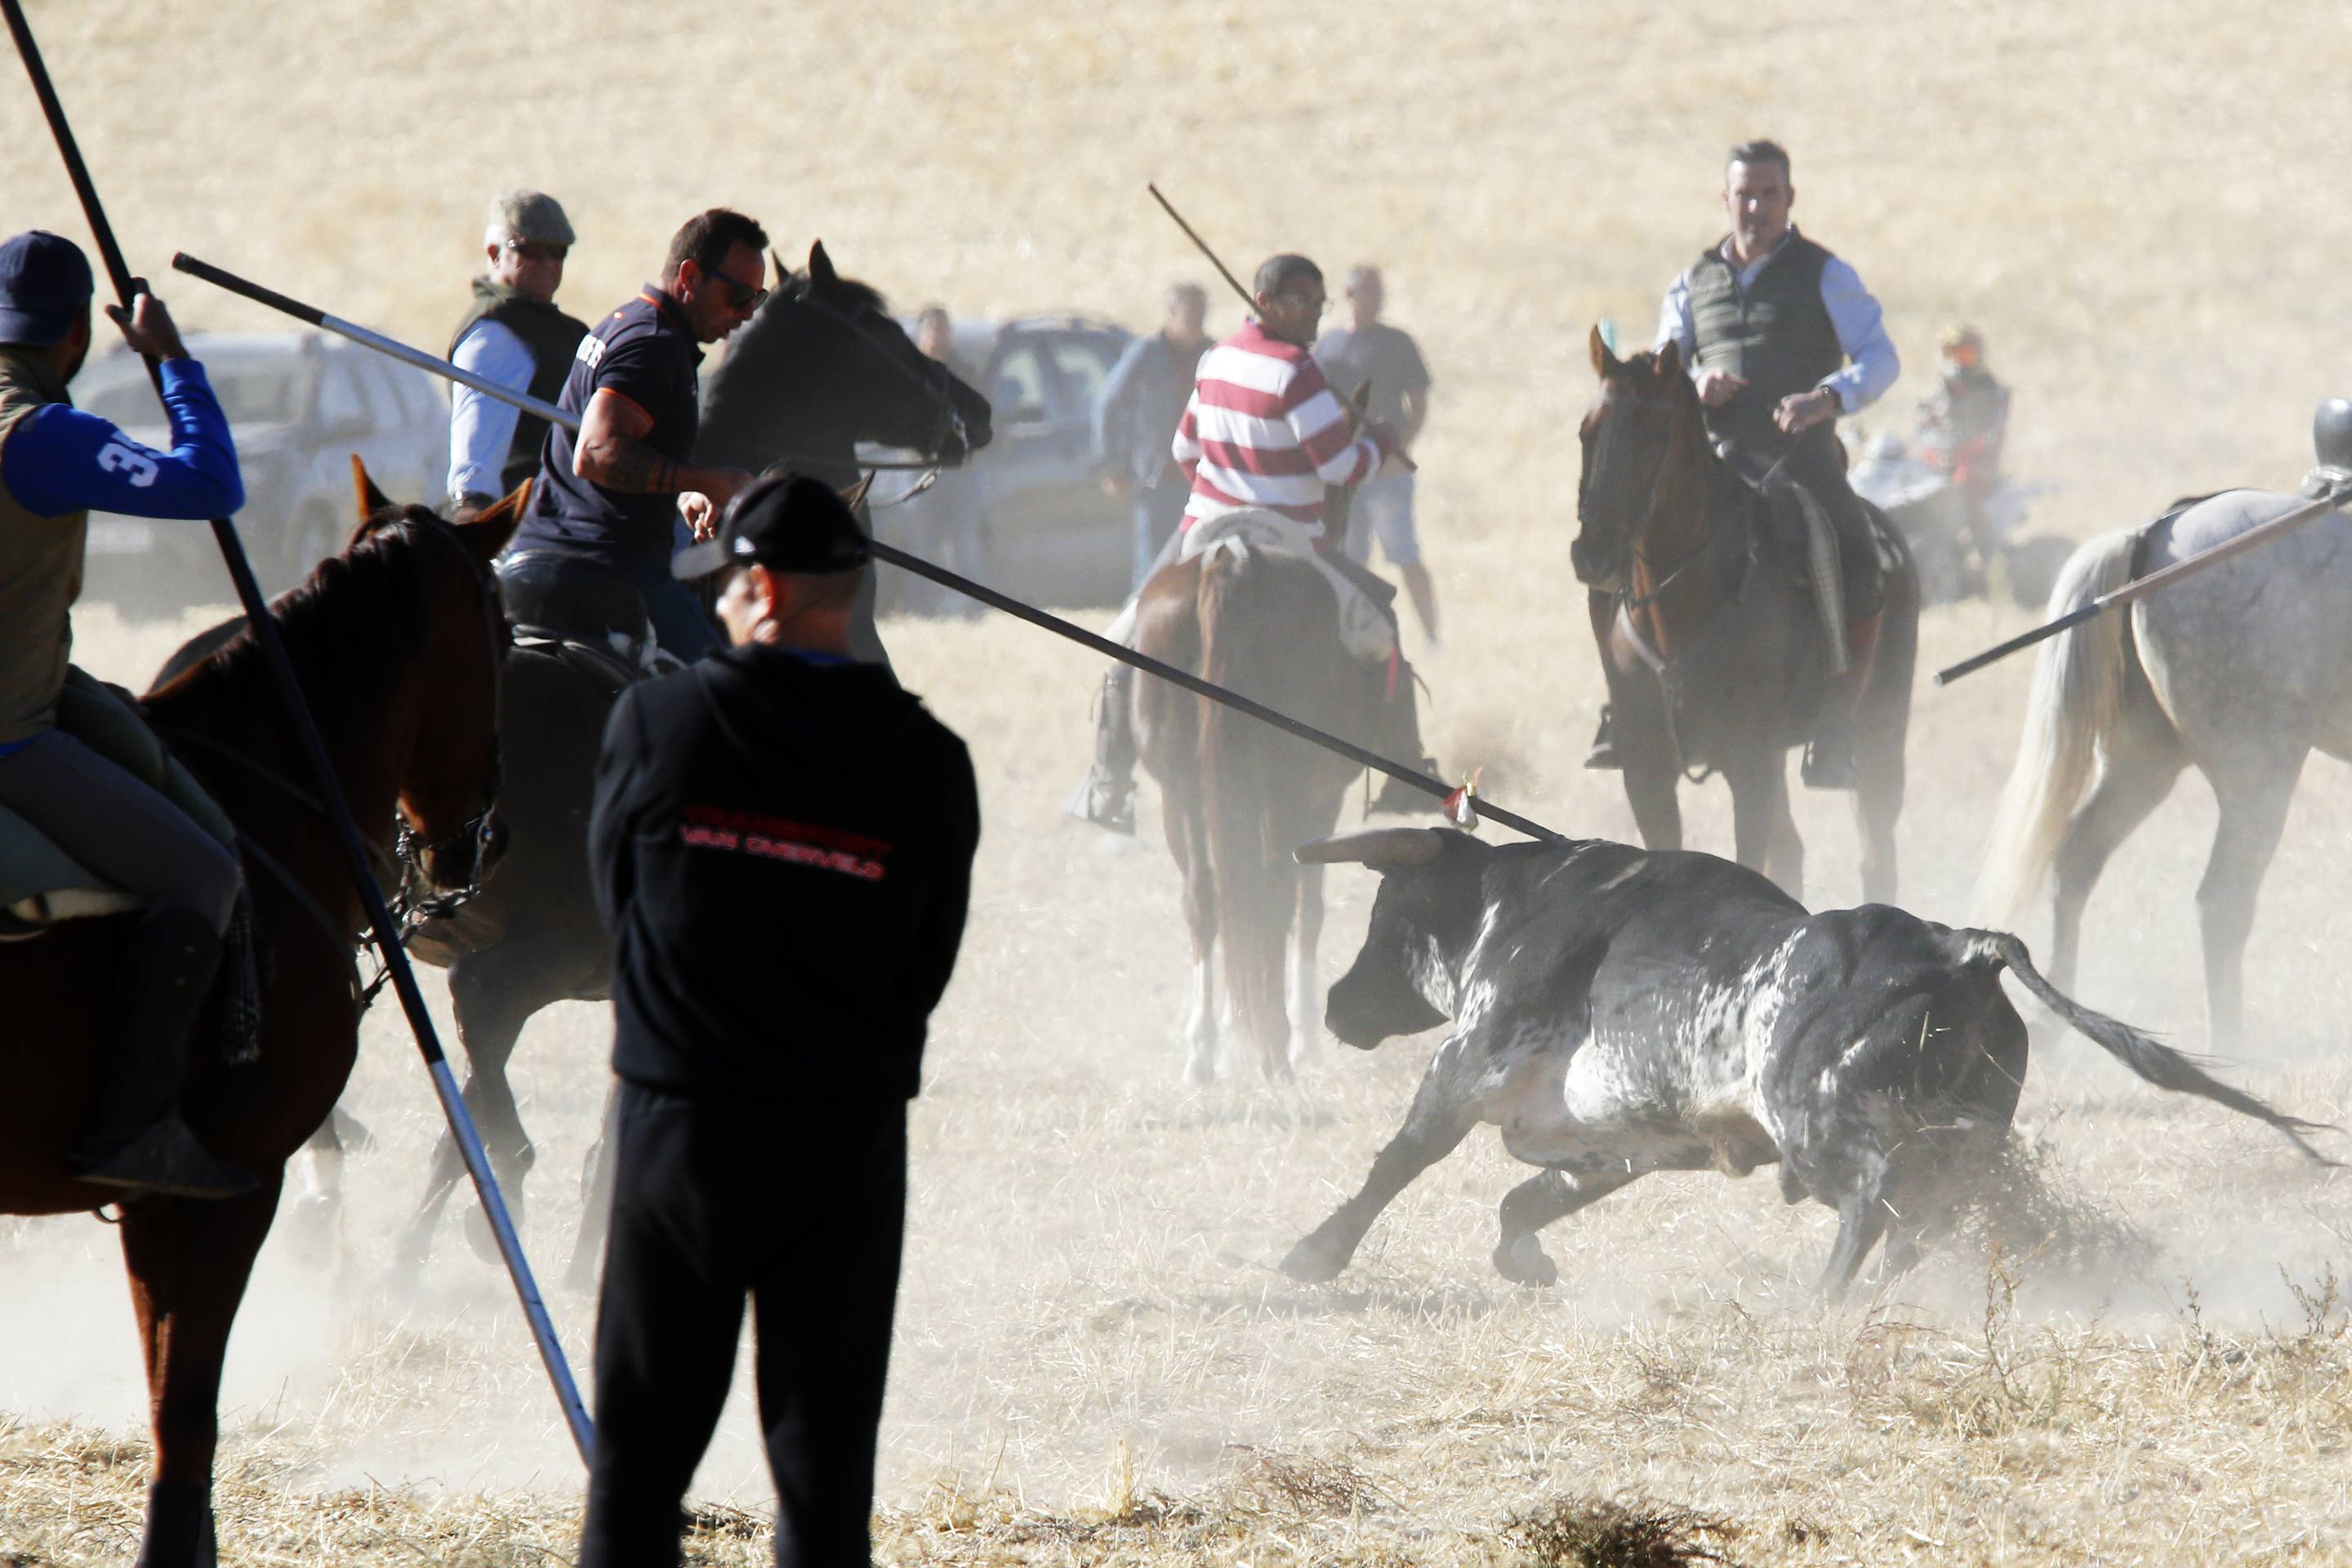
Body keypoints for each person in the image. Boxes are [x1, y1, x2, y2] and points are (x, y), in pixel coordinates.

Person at [578, 471, 980, 1567]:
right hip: (843, 1143)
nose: (713, 605)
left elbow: (618, 901)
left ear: (761, 588)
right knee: (824, 1490)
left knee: (636, 1483)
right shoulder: (932, 764)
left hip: (680, 1132)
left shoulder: (657, 721)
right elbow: (927, 960)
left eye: (723, 586)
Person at [0, 230, 252, 1198]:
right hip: (10, 734)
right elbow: (210, 485)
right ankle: (132, 1131)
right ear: (73, 333)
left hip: (41, 689)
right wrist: (173, 364)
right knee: (201, 870)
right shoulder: (44, 437)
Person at [1066, 253, 1430, 835]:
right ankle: (1406, 768)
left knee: (1126, 638)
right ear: (1266, 303)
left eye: (1319, 303)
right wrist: (1380, 443)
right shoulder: (1299, 371)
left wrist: (1226, 492)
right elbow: (1339, 466)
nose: (1314, 313)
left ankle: (1109, 782)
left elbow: (1186, 451)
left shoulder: (1216, 359)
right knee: (1381, 633)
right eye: (1303, 302)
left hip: (1202, 527)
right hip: (1290, 537)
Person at [1596, 139, 1900, 788]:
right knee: (1620, 537)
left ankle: (1837, 720)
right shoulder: (1693, 279)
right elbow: (1662, 364)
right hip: (1711, 454)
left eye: (1768, 194)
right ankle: (1623, 707)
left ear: (1790, 199)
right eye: (1745, 195)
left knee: (1854, 548)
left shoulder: (1825, 274)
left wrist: (1827, 399)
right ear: (1725, 200)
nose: (1756, 207)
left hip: (1799, 456)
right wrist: (1697, 377)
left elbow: (1880, 357)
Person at [510, 207, 768, 660]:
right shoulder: (653, 344)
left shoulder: (631, 321)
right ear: (690, 277)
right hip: (608, 567)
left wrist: (684, 488)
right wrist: (702, 480)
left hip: (547, 548)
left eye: (758, 299)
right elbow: (595, 453)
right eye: (740, 296)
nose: (746, 313)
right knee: (720, 696)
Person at [1316, 265, 1438, 644]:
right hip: (1344, 474)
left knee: (1404, 553)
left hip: (1388, 473)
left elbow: (1417, 405)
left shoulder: (1398, 343)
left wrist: (1398, 452)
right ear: (1349, 295)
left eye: (1378, 292)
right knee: (1349, 560)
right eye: (1366, 291)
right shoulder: (1328, 347)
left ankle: (1432, 638)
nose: (1373, 299)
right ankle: (1355, 635)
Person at [447, 189, 588, 514]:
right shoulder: (495, 333)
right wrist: (474, 504)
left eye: (558, 252)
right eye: (533, 250)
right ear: (494, 253)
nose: (549, 264)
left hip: (573, 506)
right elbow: (478, 435)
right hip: (532, 519)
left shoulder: (564, 329)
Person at [1092, 282, 1209, 590]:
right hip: (1155, 479)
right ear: (1171, 314)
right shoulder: (1145, 353)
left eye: (1201, 314)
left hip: (1200, 480)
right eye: (1190, 315)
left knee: (1199, 560)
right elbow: (1108, 404)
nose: (1197, 322)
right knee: (1152, 565)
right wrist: (1111, 464)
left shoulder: (1212, 354)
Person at [1914, 323, 2010, 537]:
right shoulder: (1936, 394)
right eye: (1952, 355)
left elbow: (1994, 432)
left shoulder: (1993, 391)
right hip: (1937, 464)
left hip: (1978, 466)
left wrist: (1968, 444)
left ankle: (1985, 551)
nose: (1958, 362)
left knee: (1963, 487)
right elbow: (1921, 432)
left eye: (1965, 355)